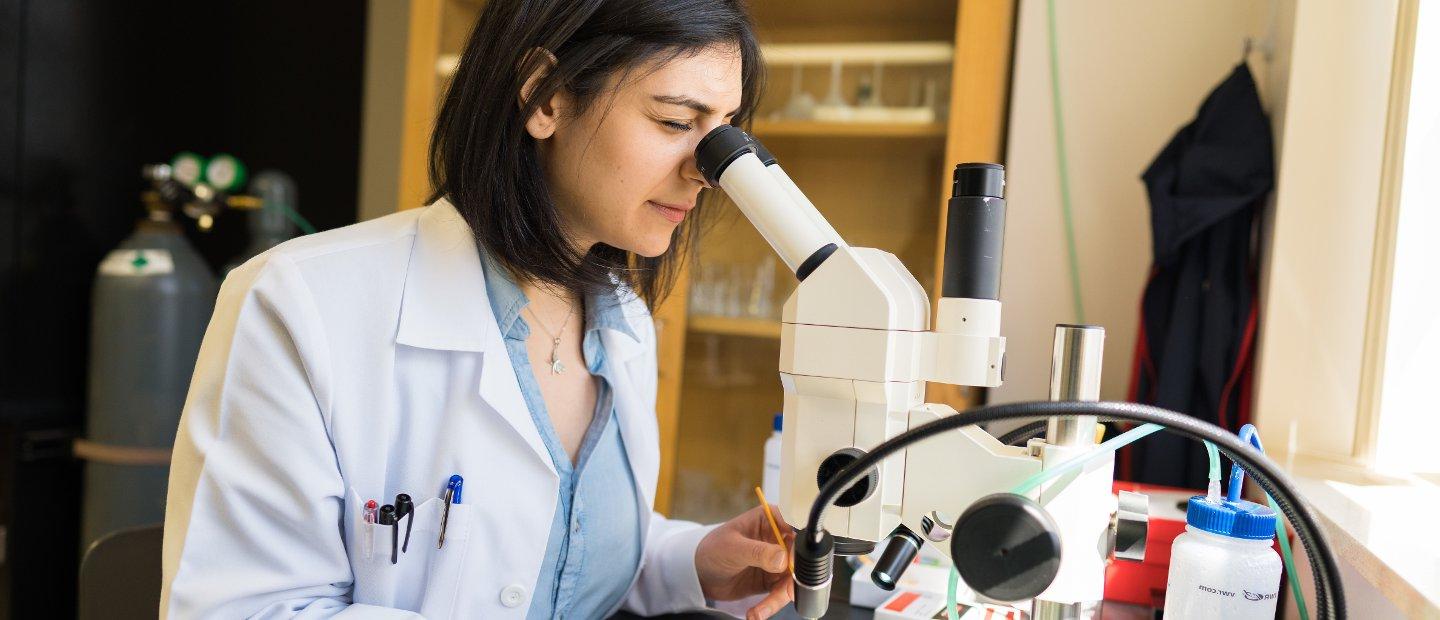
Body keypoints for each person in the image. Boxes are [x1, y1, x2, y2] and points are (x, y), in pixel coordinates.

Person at [159, 1, 795, 618]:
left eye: (723, 131)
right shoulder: (298, 303)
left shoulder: (621, 319)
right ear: (545, 96)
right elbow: (246, 608)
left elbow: (546, 549)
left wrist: (690, 560)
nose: (709, 172)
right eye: (676, 122)